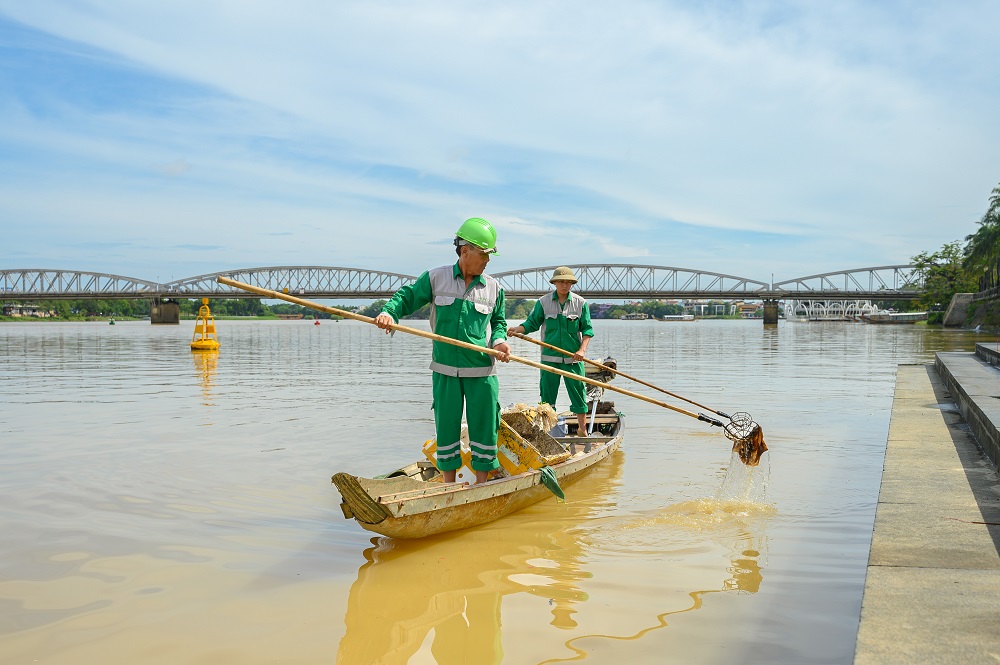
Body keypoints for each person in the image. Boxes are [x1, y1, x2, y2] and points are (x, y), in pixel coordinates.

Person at [375, 217, 511, 484]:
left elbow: (499, 323)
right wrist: (388, 313)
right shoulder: (435, 278)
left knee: (485, 428)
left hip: (481, 370)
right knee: (446, 428)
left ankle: (481, 485)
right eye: (484, 254)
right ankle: (449, 486)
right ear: (465, 251)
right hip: (445, 369)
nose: (487, 261)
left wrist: (499, 343)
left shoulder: (494, 288)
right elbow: (407, 297)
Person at [507, 266, 594, 435]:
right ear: (555, 283)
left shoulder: (580, 303)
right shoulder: (543, 302)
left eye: (568, 282)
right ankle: (548, 433)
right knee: (547, 399)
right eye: (561, 282)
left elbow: (587, 330)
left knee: (578, 394)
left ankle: (583, 431)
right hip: (549, 359)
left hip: (573, 359)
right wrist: (517, 329)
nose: (564, 285)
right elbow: (532, 323)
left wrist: (582, 350)